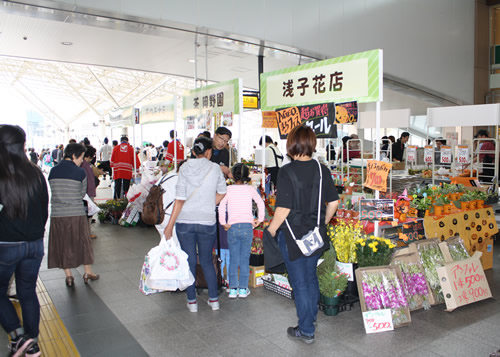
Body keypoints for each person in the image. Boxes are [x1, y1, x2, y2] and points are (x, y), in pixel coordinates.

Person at [266, 125, 339, 344]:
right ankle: (310, 320)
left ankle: (306, 330)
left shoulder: (287, 171)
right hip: (315, 237)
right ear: (311, 143)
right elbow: (334, 201)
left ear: (291, 144)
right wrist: (321, 223)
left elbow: (284, 209)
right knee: (310, 279)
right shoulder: (321, 168)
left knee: (300, 284)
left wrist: (270, 230)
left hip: (293, 237)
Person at [163, 137, 227, 312]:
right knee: (206, 260)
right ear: (209, 152)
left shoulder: (184, 167)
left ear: (193, 152)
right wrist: (208, 204)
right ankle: (214, 300)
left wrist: (169, 226)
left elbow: (179, 199)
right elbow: (222, 192)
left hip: (185, 222)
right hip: (207, 222)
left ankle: (192, 302)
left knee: (189, 261)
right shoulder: (215, 168)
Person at [0, 125, 48, 357]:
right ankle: (32, 342)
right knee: (27, 292)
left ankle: (19, 336)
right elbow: (44, 209)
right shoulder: (35, 172)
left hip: (5, 246)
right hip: (35, 244)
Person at [47, 144, 99, 287]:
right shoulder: (79, 172)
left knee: (63, 244)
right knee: (83, 242)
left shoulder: (53, 171)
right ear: (74, 156)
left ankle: (69, 276)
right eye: (81, 157)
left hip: (57, 215)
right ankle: (88, 272)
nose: (82, 161)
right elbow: (82, 193)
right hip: (76, 213)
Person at [219, 163, 264, 299]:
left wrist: (223, 223)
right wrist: (259, 219)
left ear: (232, 175)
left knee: (233, 259)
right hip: (247, 227)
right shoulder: (250, 189)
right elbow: (260, 203)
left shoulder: (228, 189)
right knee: (245, 259)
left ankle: (233, 289)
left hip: (232, 227)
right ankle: (243, 289)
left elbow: (221, 207)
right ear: (247, 176)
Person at [82, 146, 98, 239]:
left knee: (88, 213)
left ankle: (87, 232)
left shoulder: (85, 164)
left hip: (88, 192)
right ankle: (87, 233)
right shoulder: (85, 165)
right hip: (87, 193)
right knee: (88, 213)